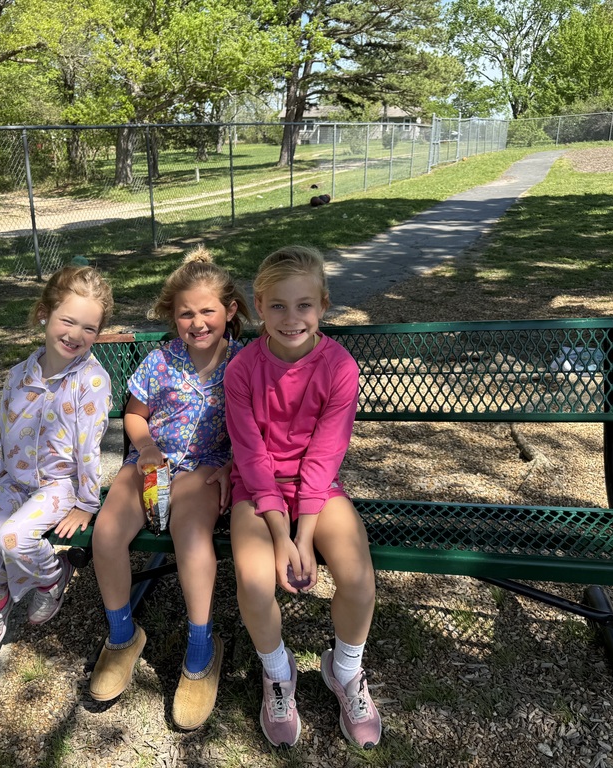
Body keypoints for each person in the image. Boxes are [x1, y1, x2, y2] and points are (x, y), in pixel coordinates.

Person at [88, 246, 252, 730]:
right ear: (172, 316)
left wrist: (235, 464)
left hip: (207, 466)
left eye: (207, 311)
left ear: (230, 312)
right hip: (151, 461)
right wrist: (147, 450)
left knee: (191, 536)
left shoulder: (244, 363)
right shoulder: (162, 361)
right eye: (186, 313)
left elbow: (258, 425)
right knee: (107, 533)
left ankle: (201, 648)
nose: (197, 322)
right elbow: (135, 416)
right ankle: (123, 635)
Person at [224, 245, 381, 749]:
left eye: (304, 306)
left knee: (358, 578)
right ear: (259, 303)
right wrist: (279, 536)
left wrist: (305, 537)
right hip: (257, 491)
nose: (291, 319)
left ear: (324, 305)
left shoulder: (338, 366)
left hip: (317, 489)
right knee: (253, 579)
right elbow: (250, 457)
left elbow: (324, 455)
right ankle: (278, 672)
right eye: (277, 306)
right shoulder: (242, 370)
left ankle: (345, 670)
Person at [0, 265, 114, 655]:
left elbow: (89, 450)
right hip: (14, 482)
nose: (76, 335)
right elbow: (2, 436)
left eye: (89, 329)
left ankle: (51, 578)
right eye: (67, 321)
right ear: (45, 313)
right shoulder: (18, 376)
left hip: (58, 486)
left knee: (14, 538)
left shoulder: (91, 381)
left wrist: (87, 504)